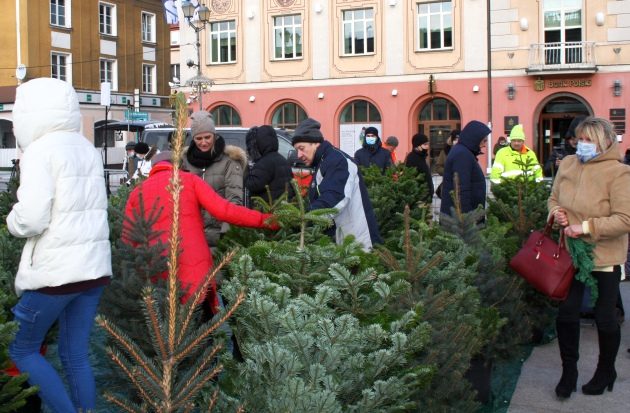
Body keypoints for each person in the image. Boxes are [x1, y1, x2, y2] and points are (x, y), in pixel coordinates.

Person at [7, 77, 112, 412]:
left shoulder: (40, 151)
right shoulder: (85, 147)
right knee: (75, 354)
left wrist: (12, 220)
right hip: (92, 270)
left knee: (20, 349)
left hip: (55, 273)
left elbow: (33, 217)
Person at [124, 151, 278, 312]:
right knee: (202, 328)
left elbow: (127, 241)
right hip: (195, 269)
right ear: (179, 165)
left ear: (154, 168)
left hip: (156, 271)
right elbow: (225, 210)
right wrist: (266, 220)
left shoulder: (137, 192)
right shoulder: (190, 181)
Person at [548, 117, 630, 399]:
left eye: (588, 140)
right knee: (566, 314)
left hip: (603, 257)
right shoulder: (569, 164)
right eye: (579, 139)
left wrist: (583, 227)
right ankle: (568, 371)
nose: (581, 145)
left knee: (605, 318)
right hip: (571, 255)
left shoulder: (618, 173)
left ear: (604, 143)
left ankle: (606, 370)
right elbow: (554, 198)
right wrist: (556, 213)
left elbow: (624, 219)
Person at [292, 118, 382, 250]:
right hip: (342, 240)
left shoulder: (338, 161)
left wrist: (304, 217)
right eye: (296, 150)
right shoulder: (323, 161)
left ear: (316, 143)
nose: (299, 155)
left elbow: (333, 198)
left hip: (358, 242)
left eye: (301, 148)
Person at [182, 111, 247, 247]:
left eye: (207, 137)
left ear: (214, 136)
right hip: (192, 234)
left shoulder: (230, 161)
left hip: (219, 236)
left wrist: (227, 234)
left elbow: (234, 200)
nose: (204, 142)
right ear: (193, 139)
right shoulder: (184, 161)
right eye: (199, 139)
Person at [440, 120, 491, 217]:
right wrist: (467, 220)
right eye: (484, 140)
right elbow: (461, 189)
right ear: (474, 138)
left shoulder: (464, 152)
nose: (485, 145)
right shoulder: (462, 155)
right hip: (462, 222)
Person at [245, 125, 294, 204]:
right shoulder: (283, 160)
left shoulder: (264, 163)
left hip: (267, 209)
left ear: (259, 143)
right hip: (282, 208)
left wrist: (246, 173)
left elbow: (253, 185)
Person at [404, 133, 434, 204]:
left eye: (427, 144)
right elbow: (411, 179)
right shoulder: (412, 158)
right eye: (425, 144)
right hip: (420, 199)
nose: (427, 147)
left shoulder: (421, 157)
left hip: (426, 197)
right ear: (417, 145)